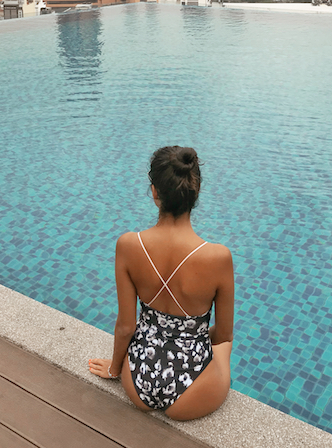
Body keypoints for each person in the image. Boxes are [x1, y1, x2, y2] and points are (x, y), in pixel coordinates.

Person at [88, 146, 234, 421]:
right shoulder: (218, 257)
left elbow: (126, 327)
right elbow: (224, 333)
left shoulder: (128, 245)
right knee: (224, 346)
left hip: (139, 382)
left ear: (155, 192)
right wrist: (192, 338)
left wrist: (114, 369)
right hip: (193, 393)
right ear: (196, 193)